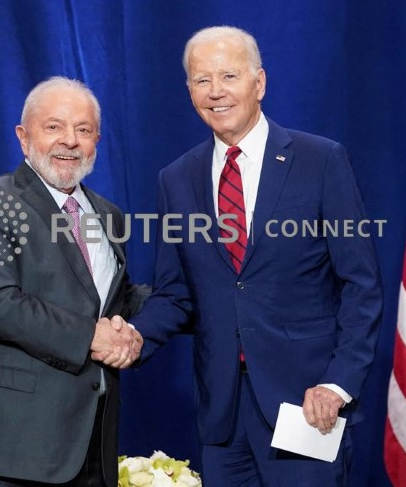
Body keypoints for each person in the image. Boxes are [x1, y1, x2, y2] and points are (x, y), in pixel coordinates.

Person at [125, 27, 383, 485]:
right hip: (222, 416)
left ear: (259, 83)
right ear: (189, 91)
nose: (216, 91)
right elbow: (175, 293)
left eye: (229, 75)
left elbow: (361, 286)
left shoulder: (321, 160)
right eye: (202, 80)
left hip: (308, 406)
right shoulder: (176, 178)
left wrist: (338, 383)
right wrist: (132, 338)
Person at [0, 76, 147, 486]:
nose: (70, 140)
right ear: (23, 136)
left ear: (97, 139)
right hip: (1, 452)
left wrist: (181, 303)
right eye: (54, 127)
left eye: (83, 130)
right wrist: (91, 337)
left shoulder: (109, 216)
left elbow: (113, 302)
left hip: (88, 450)